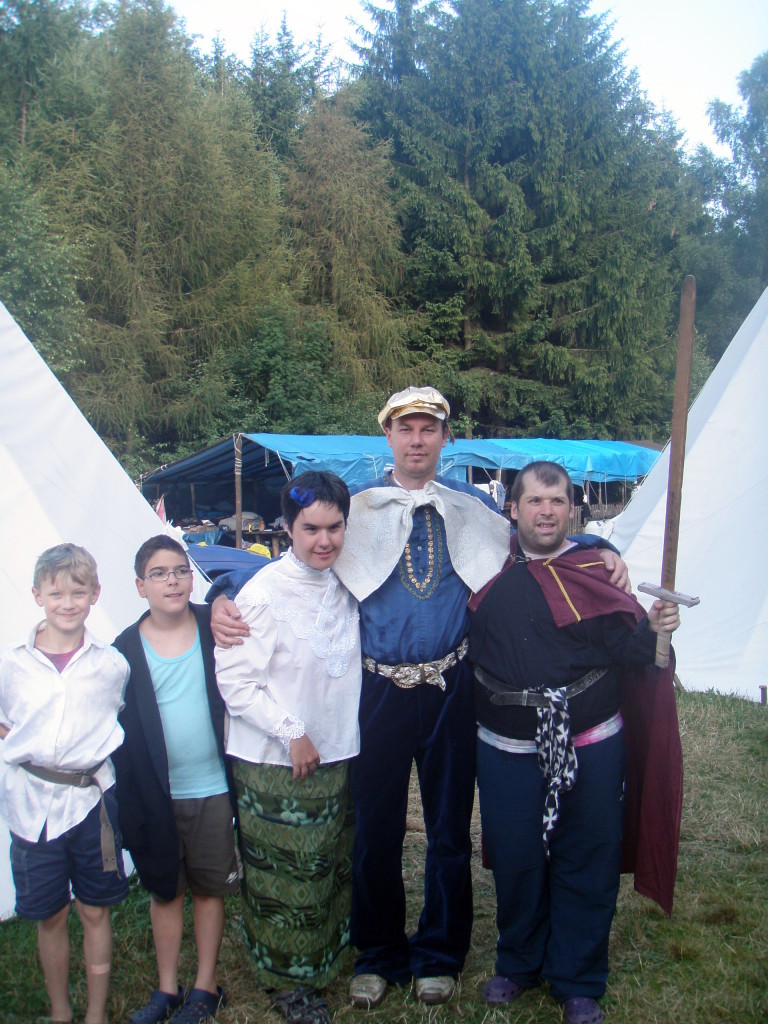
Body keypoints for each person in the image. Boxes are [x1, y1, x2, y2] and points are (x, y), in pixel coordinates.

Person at [210, 387, 630, 1010]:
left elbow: (542, 543)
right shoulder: (353, 511)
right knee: (375, 830)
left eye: (429, 429)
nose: (416, 440)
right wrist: (219, 592)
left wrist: (604, 549)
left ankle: (440, 953)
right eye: (405, 429)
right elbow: (293, 560)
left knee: (448, 830)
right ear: (387, 436)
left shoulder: (474, 511)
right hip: (377, 689)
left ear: (444, 437)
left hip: (452, 688)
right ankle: (378, 953)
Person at [468, 462, 683, 1024]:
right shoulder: (480, 565)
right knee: (516, 857)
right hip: (505, 746)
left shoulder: (594, 572)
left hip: (589, 742)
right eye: (535, 501)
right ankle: (518, 963)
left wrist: (653, 629)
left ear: (572, 510)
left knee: (587, 855)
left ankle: (578, 978)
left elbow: (631, 655)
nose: (546, 512)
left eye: (557, 501)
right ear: (512, 508)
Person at [214, 472, 361, 1024]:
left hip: (336, 753)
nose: (324, 541)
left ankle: (325, 957)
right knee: (286, 876)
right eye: (310, 529)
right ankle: (287, 982)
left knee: (328, 865)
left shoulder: (348, 580)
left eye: (334, 528)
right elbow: (235, 682)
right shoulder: (262, 594)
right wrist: (290, 731)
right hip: (277, 762)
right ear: (287, 528)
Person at [0, 543, 129, 1024]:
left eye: (78, 592)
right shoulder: (12, 663)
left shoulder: (111, 665)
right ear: (38, 595)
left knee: (94, 910)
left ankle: (95, 1012)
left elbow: (115, 713)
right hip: (31, 806)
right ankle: (60, 1010)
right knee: (51, 914)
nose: (67, 603)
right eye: (56, 593)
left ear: (95, 594)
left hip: (91, 804)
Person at [112, 536, 238, 1024]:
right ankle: (167, 988)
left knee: (209, 888)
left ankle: (205, 986)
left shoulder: (212, 626)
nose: (173, 581)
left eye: (181, 571)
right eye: (159, 574)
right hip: (157, 794)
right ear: (140, 585)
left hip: (212, 787)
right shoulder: (124, 650)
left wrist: (222, 598)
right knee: (166, 890)